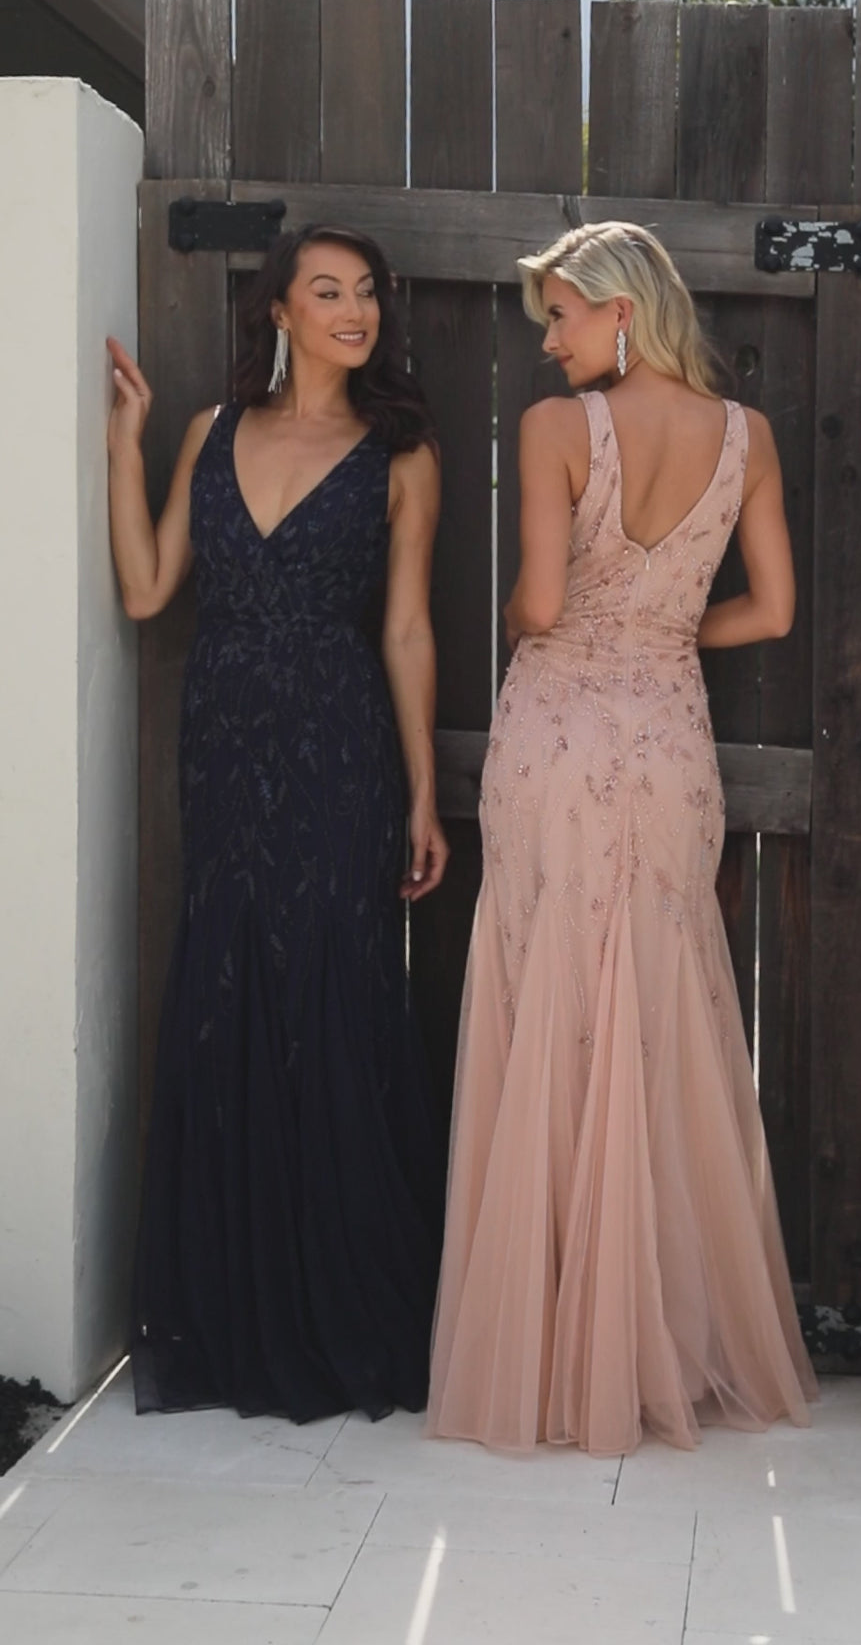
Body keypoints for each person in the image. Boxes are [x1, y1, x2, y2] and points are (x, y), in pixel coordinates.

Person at [427, 220, 818, 1455]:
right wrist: (664, 633)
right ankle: (655, 1345)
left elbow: (542, 603)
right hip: (666, 739)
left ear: (620, 313)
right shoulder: (746, 437)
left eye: (558, 316)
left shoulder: (557, 429)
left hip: (556, 736)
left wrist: (520, 613)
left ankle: (550, 1344)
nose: (546, 342)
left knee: (548, 989)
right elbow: (772, 610)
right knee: (656, 999)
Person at [108, 224, 448, 1424]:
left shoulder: (402, 453)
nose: (355, 311)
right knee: (228, 992)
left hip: (338, 748)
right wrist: (125, 441)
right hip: (224, 745)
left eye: (368, 294)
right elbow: (148, 588)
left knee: (333, 995)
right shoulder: (210, 432)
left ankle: (341, 1308)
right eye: (329, 292)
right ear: (280, 312)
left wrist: (421, 791)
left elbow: (405, 630)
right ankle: (231, 1313)